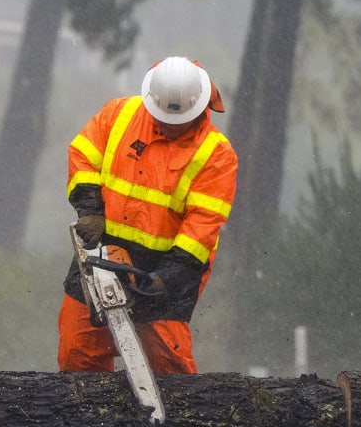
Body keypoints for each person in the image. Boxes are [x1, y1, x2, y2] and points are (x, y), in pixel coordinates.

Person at [57, 56, 238, 374]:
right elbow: (82, 155)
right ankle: (89, 418)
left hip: (167, 268)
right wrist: (90, 210)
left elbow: (200, 231)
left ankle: (174, 424)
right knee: (79, 352)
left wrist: (165, 279)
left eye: (177, 121)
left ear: (198, 109)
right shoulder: (119, 114)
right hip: (103, 252)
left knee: (168, 368)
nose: (168, 126)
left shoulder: (217, 156)